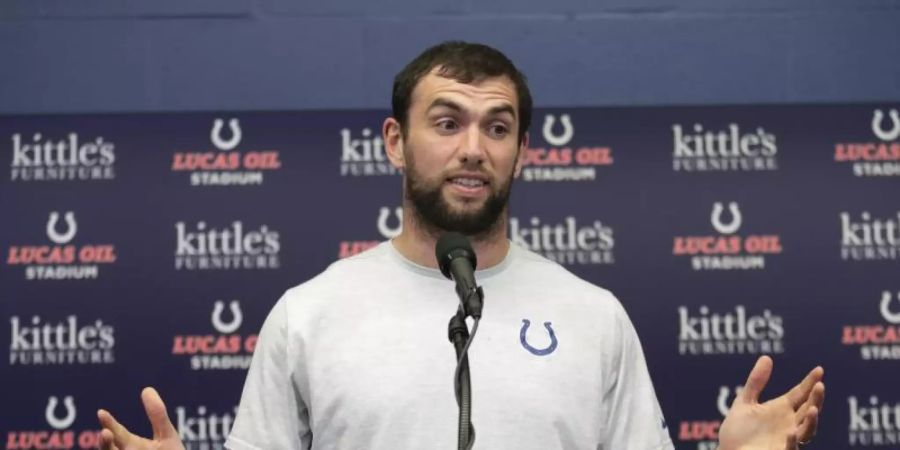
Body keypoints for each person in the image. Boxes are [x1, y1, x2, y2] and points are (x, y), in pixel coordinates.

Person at [96, 41, 825, 450]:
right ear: (394, 142)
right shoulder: (308, 314)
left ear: (523, 151)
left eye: (497, 127)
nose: (473, 148)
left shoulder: (593, 316)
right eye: (446, 123)